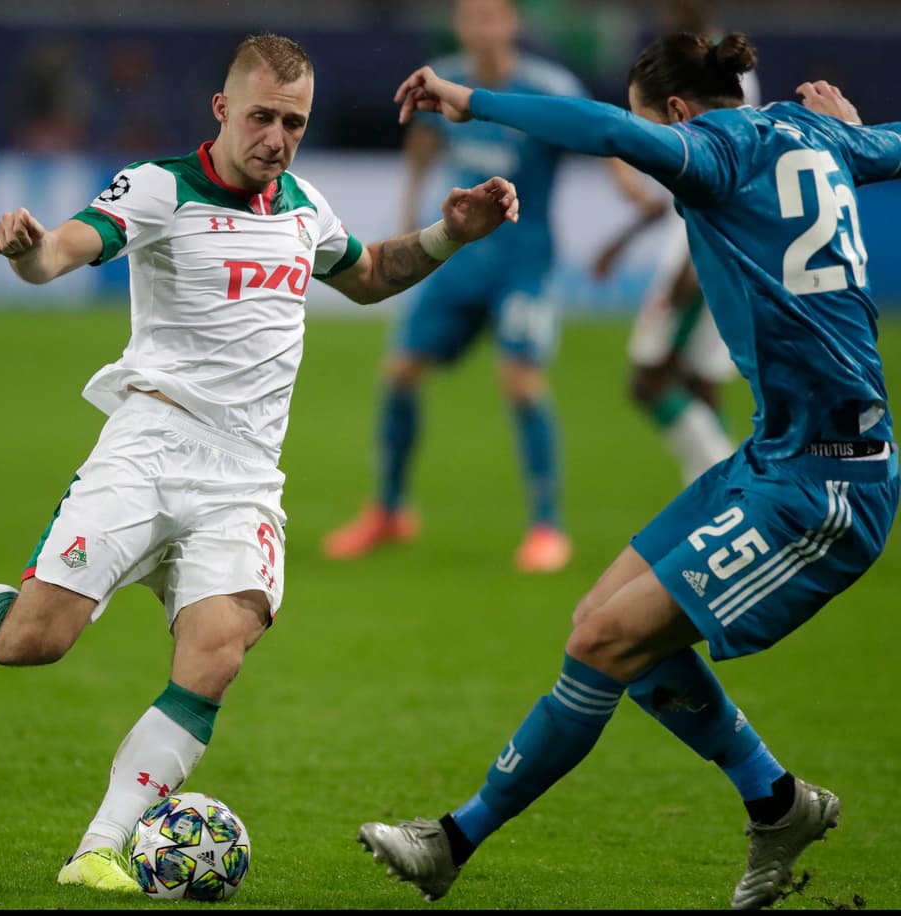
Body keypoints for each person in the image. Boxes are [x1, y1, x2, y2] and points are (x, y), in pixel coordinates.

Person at [0, 32, 518, 894]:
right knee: (39, 639)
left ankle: (100, 847)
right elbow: (67, 248)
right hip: (148, 449)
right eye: (261, 116)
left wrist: (451, 233)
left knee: (216, 656)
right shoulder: (161, 187)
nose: (277, 137)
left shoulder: (305, 205)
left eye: (293, 122)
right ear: (222, 109)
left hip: (246, 480)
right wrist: (30, 253)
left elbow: (369, 273)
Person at [358, 36, 898, 910]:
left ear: (678, 114)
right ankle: (778, 802)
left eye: (655, 128)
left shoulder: (713, 150)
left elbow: (605, 129)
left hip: (827, 486)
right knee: (606, 625)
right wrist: (854, 135)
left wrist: (472, 99)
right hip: (773, 455)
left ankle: (452, 841)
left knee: (603, 643)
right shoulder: (813, 133)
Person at [321, 0, 664, 572]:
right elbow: (424, 144)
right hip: (460, 262)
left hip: (524, 265)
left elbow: (596, 135)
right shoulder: (444, 77)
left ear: (512, 24)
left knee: (522, 383)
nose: (480, 27)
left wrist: (632, 194)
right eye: (470, 17)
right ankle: (388, 510)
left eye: (491, 16)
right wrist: (408, 214)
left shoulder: (548, 85)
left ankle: (548, 527)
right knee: (401, 372)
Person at [591, 0, 761, 487]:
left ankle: (731, 487)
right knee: (697, 383)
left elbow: (721, 182)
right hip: (707, 242)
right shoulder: (713, 69)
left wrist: (692, 264)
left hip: (704, 247)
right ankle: (719, 488)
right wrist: (622, 240)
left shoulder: (713, 83)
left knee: (649, 380)